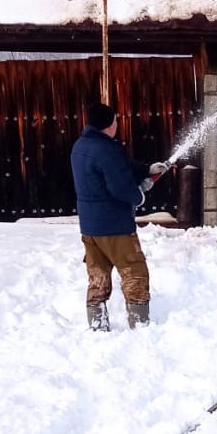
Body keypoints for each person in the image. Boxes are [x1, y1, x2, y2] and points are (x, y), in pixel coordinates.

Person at [70, 101, 167, 330]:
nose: (117, 124)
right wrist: (139, 195)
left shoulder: (82, 146)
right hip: (114, 226)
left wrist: (146, 169)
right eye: (115, 120)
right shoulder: (105, 149)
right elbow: (120, 186)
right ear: (108, 125)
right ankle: (140, 327)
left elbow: (119, 166)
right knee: (135, 273)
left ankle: (97, 327)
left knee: (98, 276)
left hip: (91, 227)